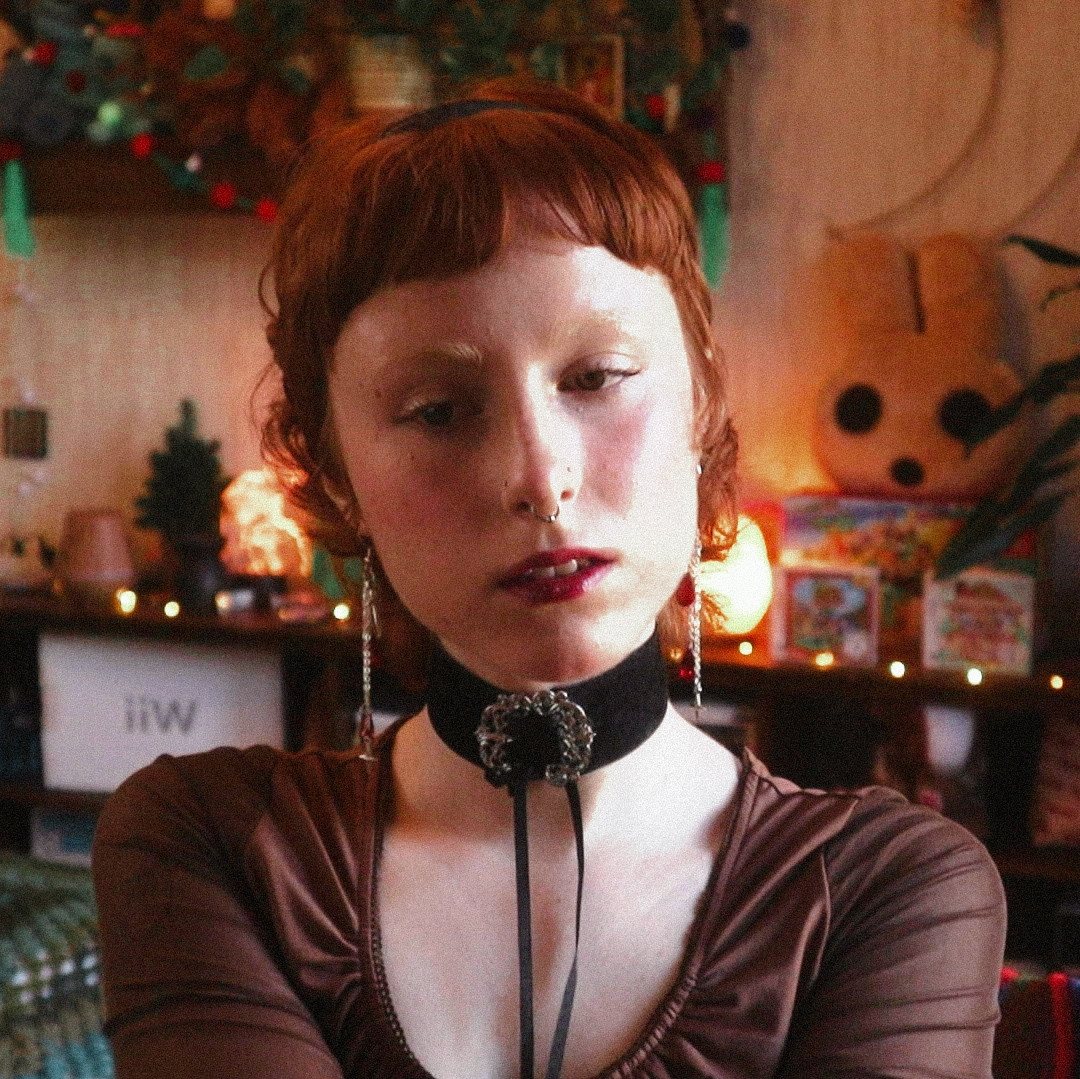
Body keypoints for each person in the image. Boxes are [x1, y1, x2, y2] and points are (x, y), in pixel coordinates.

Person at [91, 76, 1007, 1079]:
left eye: (596, 377)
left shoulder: (889, 887)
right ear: (335, 474)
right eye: (439, 409)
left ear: (701, 407)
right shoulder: (214, 845)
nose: (537, 475)